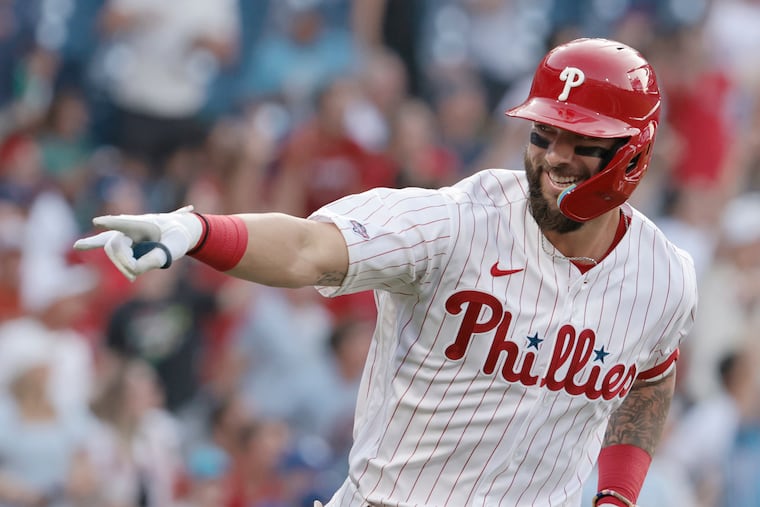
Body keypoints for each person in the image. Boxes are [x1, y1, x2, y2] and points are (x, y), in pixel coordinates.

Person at [75, 38, 698, 507]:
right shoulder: (457, 221)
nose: (554, 156)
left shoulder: (663, 277)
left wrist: (616, 496)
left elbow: (648, 378)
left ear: (632, 154)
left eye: (580, 139)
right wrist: (200, 230)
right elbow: (305, 248)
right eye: (543, 134)